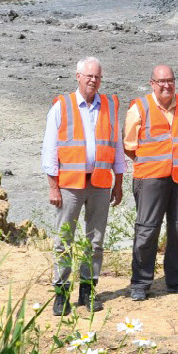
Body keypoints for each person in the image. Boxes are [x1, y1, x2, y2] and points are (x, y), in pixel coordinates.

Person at [44, 57, 126, 315]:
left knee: (95, 240)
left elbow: (117, 147)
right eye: (89, 76)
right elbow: (50, 149)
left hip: (100, 183)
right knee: (64, 239)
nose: (93, 80)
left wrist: (119, 182)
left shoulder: (109, 106)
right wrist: (53, 186)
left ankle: (88, 292)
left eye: (98, 77)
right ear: (77, 76)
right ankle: (60, 293)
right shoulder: (62, 106)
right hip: (69, 185)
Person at [123, 65, 178, 302]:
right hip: (150, 179)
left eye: (171, 80)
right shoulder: (140, 107)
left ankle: (176, 281)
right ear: (152, 83)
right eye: (161, 81)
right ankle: (140, 283)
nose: (167, 85)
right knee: (147, 230)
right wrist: (154, 163)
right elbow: (129, 146)